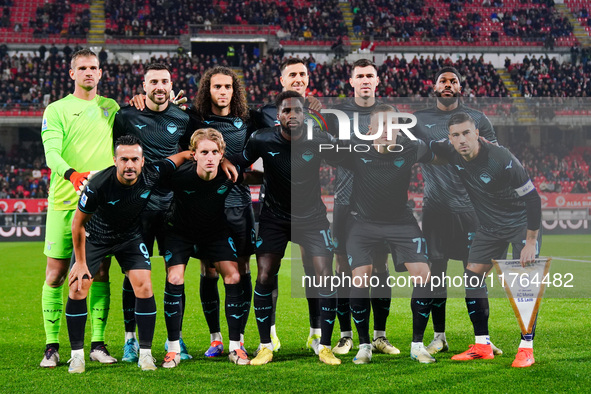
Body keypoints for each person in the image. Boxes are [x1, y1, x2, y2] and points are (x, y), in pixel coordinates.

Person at [230, 91, 341, 366]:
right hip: (274, 218)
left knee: (324, 275)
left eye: (297, 111)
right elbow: (238, 163)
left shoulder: (319, 140)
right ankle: (265, 345)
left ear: (306, 115)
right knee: (265, 275)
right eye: (287, 111)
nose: (292, 115)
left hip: (313, 218)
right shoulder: (261, 139)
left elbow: (347, 160)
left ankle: (324, 345)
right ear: (278, 115)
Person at [66, 135, 192, 373]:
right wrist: (80, 263)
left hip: (129, 237)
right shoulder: (98, 184)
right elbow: (77, 224)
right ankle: (76, 356)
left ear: (143, 161)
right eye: (124, 159)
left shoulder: (152, 173)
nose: (129, 165)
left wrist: (195, 154)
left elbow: (180, 157)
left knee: (144, 285)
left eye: (135, 159)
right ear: (115, 160)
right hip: (96, 237)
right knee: (78, 286)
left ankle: (145, 354)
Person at [431, 112, 542, 368]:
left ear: (477, 133)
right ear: (450, 138)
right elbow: (429, 146)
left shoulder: (501, 158)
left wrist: (530, 241)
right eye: (456, 135)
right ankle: (482, 344)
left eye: (467, 133)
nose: (462, 140)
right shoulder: (451, 153)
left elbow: (533, 199)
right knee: (472, 275)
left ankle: (526, 347)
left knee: (523, 285)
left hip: (519, 224)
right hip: (490, 227)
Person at [411, 67, 502, 357]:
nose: (448, 85)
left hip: (473, 210)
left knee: (474, 276)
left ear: (461, 88)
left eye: (453, 81)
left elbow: (495, 157)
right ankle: (439, 337)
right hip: (436, 209)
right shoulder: (418, 119)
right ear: (434, 86)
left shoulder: (478, 119)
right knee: (436, 275)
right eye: (443, 81)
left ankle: (483, 339)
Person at [337, 105, 437, 364]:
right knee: (360, 278)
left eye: (392, 126)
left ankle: (417, 345)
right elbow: (319, 150)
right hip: (362, 222)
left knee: (425, 276)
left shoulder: (410, 148)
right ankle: (364, 345)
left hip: (400, 222)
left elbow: (437, 146)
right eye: (380, 126)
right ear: (369, 130)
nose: (386, 131)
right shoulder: (355, 149)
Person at [40, 49, 119, 368]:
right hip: (64, 201)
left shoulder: (110, 108)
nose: (89, 72)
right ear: (72, 73)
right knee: (57, 274)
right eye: (83, 68)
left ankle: (97, 344)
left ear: (101, 73)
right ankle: (51, 346)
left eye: (94, 68)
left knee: (99, 271)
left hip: (101, 204)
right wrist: (73, 175)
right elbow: (51, 154)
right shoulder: (57, 109)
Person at [113, 63, 191, 363]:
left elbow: (190, 155)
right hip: (137, 209)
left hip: (173, 208)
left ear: (172, 86)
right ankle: (130, 340)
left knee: (176, 276)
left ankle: (176, 341)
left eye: (165, 81)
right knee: (134, 275)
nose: (160, 86)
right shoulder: (126, 115)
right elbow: (117, 157)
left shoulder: (182, 117)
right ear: (143, 86)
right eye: (154, 81)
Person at [186, 66, 261, 357]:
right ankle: (215, 337)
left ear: (234, 90)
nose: (222, 92)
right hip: (206, 207)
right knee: (209, 270)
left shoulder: (248, 120)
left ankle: (238, 337)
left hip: (240, 205)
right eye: (216, 87)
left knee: (243, 269)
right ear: (208, 90)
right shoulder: (195, 119)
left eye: (227, 87)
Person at [160, 128, 249, 367]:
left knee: (233, 276)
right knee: (176, 278)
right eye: (204, 152)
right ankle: (173, 349)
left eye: (214, 152)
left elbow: (251, 174)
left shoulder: (229, 174)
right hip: (179, 232)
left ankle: (235, 347)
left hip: (214, 231)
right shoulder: (179, 176)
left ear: (222, 155)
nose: (209, 157)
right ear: (193, 154)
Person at [329, 59, 398, 357]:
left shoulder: (390, 114)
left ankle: (380, 336)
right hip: (345, 203)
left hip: (381, 206)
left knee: (381, 268)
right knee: (344, 270)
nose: (366, 80)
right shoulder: (338, 115)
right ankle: (346, 336)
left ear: (378, 80)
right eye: (360, 76)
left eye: (370, 75)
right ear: (352, 81)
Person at [258, 57, 324, 353]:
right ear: (281, 80)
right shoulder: (262, 115)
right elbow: (247, 148)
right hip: (273, 207)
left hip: (310, 208)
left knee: (316, 270)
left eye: (302, 74)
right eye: (292, 74)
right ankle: (269, 334)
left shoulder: (322, 113)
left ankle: (316, 334)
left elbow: (333, 149)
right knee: (266, 272)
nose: (298, 78)